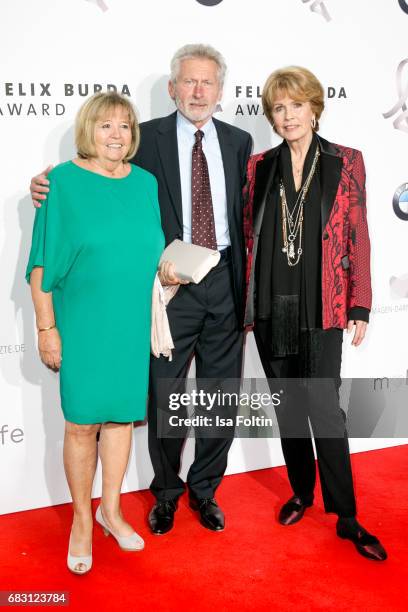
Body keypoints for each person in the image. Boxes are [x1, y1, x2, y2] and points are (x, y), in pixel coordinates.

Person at [30, 44, 253, 535]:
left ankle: (206, 490)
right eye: (188, 82)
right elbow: (94, 176)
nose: (198, 91)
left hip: (224, 281)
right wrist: (42, 186)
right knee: (165, 397)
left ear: (220, 90)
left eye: (207, 83)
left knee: (220, 396)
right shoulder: (142, 138)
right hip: (164, 289)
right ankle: (168, 493)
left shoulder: (239, 141)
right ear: (172, 88)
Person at [243, 66, 387, 561]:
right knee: (289, 407)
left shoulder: (346, 161)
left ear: (314, 108)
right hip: (271, 304)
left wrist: (360, 302)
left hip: (323, 306)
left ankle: (346, 516)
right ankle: (302, 491)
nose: (288, 116)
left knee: (325, 409)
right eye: (279, 108)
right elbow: (247, 233)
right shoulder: (259, 166)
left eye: (296, 105)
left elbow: (359, 235)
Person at [26, 92, 165, 574]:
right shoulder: (60, 183)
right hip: (82, 325)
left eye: (125, 126)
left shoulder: (145, 183)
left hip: (129, 325)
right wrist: (47, 328)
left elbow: (149, 251)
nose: (116, 135)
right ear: (89, 130)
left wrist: (170, 271)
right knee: (82, 423)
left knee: (122, 420)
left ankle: (112, 510)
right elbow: (41, 266)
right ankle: (82, 520)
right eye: (105, 125)